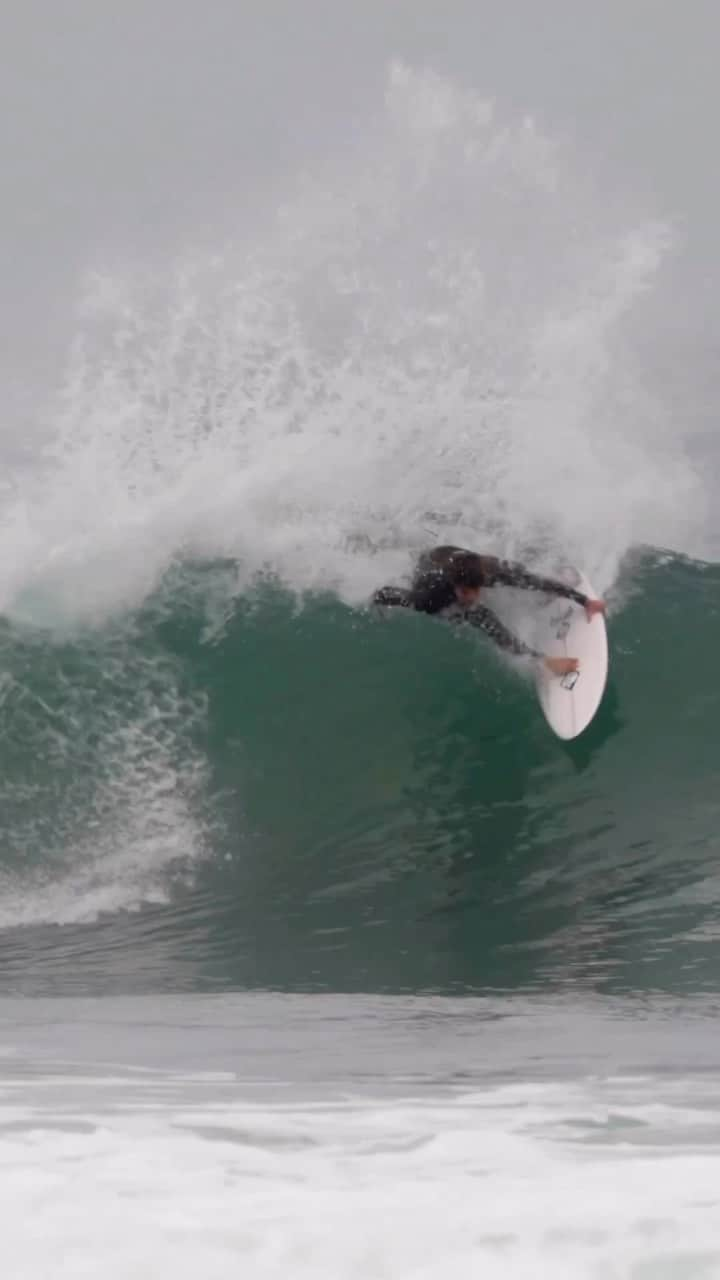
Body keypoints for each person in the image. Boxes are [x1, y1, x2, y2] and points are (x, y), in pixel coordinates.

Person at [373, 545, 607, 677]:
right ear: (456, 587)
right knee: (480, 616)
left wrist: (585, 601)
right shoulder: (430, 598)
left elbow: (532, 580)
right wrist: (545, 661)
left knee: (520, 575)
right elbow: (384, 593)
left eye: (472, 591)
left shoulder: (488, 571)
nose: (470, 597)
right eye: (464, 592)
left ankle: (555, 590)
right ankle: (546, 662)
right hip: (430, 566)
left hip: (452, 555)